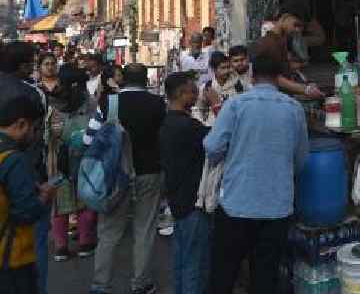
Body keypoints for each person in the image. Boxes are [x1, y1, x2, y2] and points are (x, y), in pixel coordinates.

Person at [204, 44, 309, 294]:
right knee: (265, 277)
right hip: (276, 207)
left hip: (236, 205)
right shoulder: (294, 109)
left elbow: (212, 147)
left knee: (223, 275)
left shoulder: (236, 106)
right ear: (278, 78)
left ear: (252, 75)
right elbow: (301, 159)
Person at [85, 63, 167, 294]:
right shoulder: (157, 103)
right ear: (145, 80)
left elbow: (89, 140)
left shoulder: (109, 103)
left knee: (109, 231)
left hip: (115, 176)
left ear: (123, 81)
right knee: (144, 229)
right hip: (149, 173)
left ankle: (101, 284)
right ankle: (140, 282)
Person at [3, 42, 50, 294]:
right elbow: (35, 140)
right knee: (33, 241)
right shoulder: (31, 94)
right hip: (26, 176)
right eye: (32, 63)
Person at [159, 72, 211, 294]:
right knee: (194, 264)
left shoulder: (167, 123)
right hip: (192, 202)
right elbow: (219, 138)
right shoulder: (189, 127)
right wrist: (217, 106)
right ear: (181, 94)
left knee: (181, 260)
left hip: (178, 201)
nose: (197, 94)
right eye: (193, 91)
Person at [45, 66, 97, 261]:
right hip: (80, 158)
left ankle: (63, 246)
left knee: (61, 204)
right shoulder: (88, 102)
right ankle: (83, 243)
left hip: (58, 160)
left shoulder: (51, 103)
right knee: (83, 201)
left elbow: (44, 134)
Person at [256, 12, 325, 101]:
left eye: (301, 27)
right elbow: (274, 77)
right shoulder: (269, 43)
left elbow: (283, 67)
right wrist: (305, 89)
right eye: (295, 25)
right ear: (285, 18)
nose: (297, 30)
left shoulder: (282, 40)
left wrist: (306, 85)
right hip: (275, 99)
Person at [199, 52, 240, 125]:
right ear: (214, 69)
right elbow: (200, 111)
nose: (227, 71)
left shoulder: (239, 85)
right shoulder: (206, 88)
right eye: (223, 68)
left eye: (228, 67)